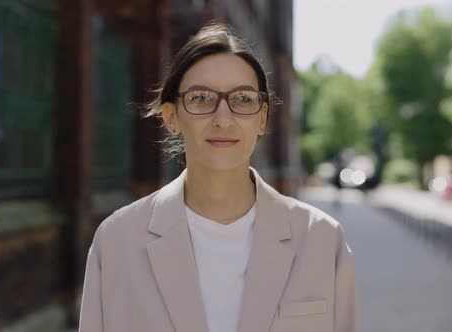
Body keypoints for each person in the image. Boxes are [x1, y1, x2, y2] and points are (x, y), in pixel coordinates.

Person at [78, 21, 358, 332]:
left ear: (262, 118)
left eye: (242, 99)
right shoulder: (117, 241)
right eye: (200, 98)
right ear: (172, 117)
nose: (223, 120)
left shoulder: (321, 240)